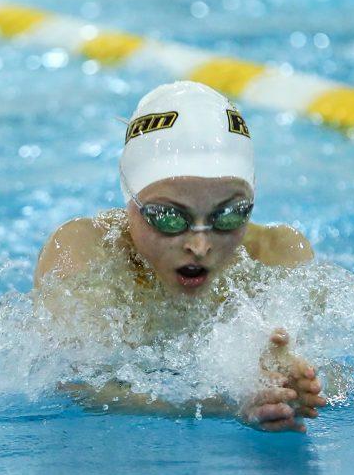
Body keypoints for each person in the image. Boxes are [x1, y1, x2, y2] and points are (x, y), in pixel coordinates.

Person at [33, 81, 328, 432]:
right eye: (170, 218)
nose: (200, 246)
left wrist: (297, 384)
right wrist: (226, 404)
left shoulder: (276, 255)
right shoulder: (85, 251)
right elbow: (75, 383)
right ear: (130, 198)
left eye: (229, 215)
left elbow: (335, 371)